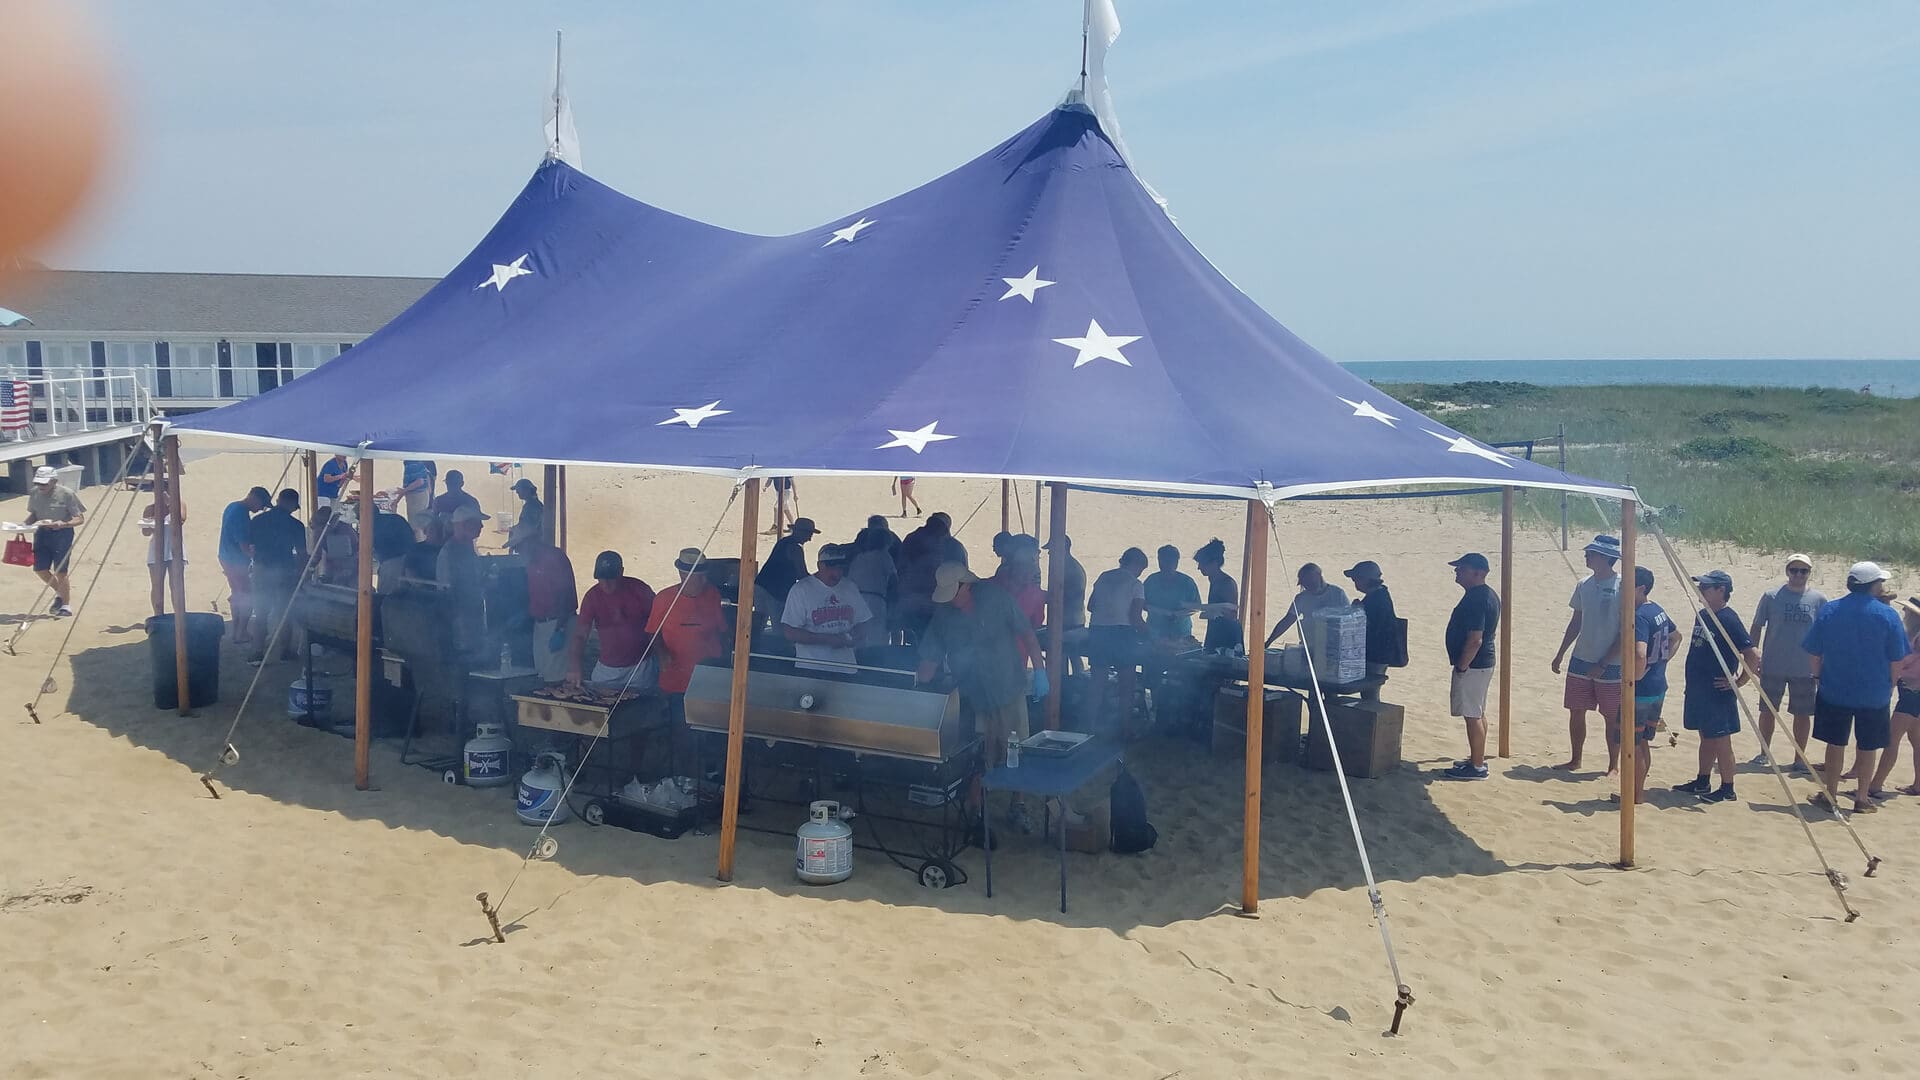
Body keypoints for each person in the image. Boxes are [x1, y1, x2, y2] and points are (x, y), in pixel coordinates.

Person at [916, 561, 1043, 833]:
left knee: (1016, 749)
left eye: (954, 592)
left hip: (1009, 686)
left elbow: (1028, 634)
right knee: (978, 754)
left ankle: (1017, 806)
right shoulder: (944, 615)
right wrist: (918, 690)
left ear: (966, 585)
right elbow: (929, 658)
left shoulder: (997, 598)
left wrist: (1041, 672)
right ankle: (976, 811)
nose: (950, 600)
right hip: (974, 694)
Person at [1802, 562, 1910, 815]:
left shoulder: (1831, 610)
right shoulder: (1887, 615)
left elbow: (1814, 652)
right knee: (1868, 745)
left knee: (1835, 744)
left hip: (1835, 688)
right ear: (1872, 584)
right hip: (1874, 693)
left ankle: (1830, 794)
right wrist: (1891, 684)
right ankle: (1862, 797)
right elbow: (1897, 658)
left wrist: (1817, 677)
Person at [1674, 570, 1761, 805]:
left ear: (1721, 590)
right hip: (1698, 688)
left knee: (1722, 739)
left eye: (1706, 588)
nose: (1701, 591)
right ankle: (1702, 780)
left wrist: (1739, 681)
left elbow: (1752, 654)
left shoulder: (1728, 618)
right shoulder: (1703, 614)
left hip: (1717, 691)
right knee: (1706, 736)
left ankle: (1727, 787)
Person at [1549, 534, 1624, 775]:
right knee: (1576, 710)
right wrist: (1561, 652)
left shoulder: (1623, 586)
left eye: (1591, 553)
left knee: (1612, 716)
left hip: (1611, 662)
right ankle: (1575, 759)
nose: (1586, 556)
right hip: (1581, 657)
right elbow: (1576, 621)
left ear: (1605, 557)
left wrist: (1604, 662)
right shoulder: (1584, 584)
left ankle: (1613, 765)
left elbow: (1626, 631)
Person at [1749, 554, 1826, 771]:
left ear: (1809, 573)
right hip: (1773, 664)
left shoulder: (1819, 600)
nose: (1799, 575)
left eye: (1804, 571)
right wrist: (1753, 655)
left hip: (1805, 668)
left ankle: (1799, 758)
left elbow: (1825, 634)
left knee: (1802, 714)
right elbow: (1757, 627)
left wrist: (1822, 664)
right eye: (1794, 570)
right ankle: (1764, 752)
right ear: (1787, 572)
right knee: (1768, 710)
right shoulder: (1771, 596)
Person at [646, 547, 728, 726]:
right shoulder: (663, 599)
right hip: (676, 680)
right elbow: (653, 633)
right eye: (699, 576)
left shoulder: (713, 594)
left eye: (705, 575)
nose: (704, 580)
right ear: (683, 576)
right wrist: (662, 652)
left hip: (706, 678)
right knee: (679, 728)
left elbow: (722, 630)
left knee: (707, 730)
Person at [1442, 553, 1501, 780]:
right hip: (1480, 663)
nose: (1457, 572)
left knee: (1472, 714)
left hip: (1474, 664)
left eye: (1462, 569)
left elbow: (1475, 638)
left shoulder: (1479, 598)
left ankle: (1476, 767)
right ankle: (1477, 759)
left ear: (1478, 573)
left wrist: (1462, 666)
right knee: (1477, 711)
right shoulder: (1483, 595)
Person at [1619, 567, 1675, 805]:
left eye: (1627, 585)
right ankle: (1637, 793)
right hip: (1658, 685)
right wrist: (1662, 661)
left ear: (1640, 588)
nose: (1622, 589)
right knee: (1643, 742)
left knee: (1632, 743)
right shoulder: (1657, 610)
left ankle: (1634, 795)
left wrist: (1634, 678)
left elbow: (1640, 653)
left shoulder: (1639, 615)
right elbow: (1676, 636)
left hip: (1642, 690)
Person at [567, 551, 657, 689]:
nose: (606, 584)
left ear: (621, 572)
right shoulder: (592, 597)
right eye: (601, 578)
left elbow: (657, 623)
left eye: (610, 578)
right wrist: (574, 666)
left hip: (641, 667)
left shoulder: (640, 589)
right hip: (608, 670)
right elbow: (580, 635)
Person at [781, 543, 875, 673]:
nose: (837, 573)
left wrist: (854, 637)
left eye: (841, 568)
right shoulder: (801, 590)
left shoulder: (850, 587)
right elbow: (790, 632)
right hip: (811, 668)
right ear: (820, 566)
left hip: (846, 668)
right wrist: (828, 639)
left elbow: (864, 621)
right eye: (833, 568)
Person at [1088, 547, 1150, 734]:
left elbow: (1091, 606)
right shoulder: (1136, 584)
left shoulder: (1103, 576)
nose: (1140, 573)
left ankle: (1088, 726)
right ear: (1137, 564)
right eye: (1141, 569)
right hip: (1122, 634)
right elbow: (1136, 618)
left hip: (1098, 631)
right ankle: (1125, 728)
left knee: (1097, 681)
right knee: (1127, 683)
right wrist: (1151, 634)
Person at [1866, 597, 1920, 798]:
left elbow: (1905, 661)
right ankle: (1918, 784)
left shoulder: (1917, 636)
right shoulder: (1913, 634)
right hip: (1912, 692)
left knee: (1891, 740)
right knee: (1916, 740)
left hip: (1912, 692)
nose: (1905, 613)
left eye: (1908, 611)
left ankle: (1875, 784)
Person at [246, 488, 308, 662]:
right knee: (285, 612)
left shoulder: (257, 520)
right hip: (284, 570)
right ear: (290, 503)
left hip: (260, 569)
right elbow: (302, 554)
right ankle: (285, 651)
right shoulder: (296, 525)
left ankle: (257, 652)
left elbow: (250, 547)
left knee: (260, 612)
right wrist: (303, 574)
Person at [23, 465, 85, 617]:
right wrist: (23, 526)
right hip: (41, 532)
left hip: (62, 534)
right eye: (38, 483)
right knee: (39, 568)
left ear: (54, 481)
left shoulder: (67, 494)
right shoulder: (34, 493)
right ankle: (59, 593)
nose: (41, 486)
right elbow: (34, 514)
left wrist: (63, 524)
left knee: (61, 570)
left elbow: (79, 518)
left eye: (44, 483)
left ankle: (66, 605)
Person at [435, 503, 490, 661]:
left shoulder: (468, 548)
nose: (481, 526)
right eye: (477, 522)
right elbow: (447, 589)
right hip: (460, 621)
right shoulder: (450, 551)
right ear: (465, 524)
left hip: (473, 615)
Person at [218, 485, 271, 643]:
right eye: (262, 505)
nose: (261, 509)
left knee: (237, 594)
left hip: (226, 556)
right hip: (236, 560)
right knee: (248, 596)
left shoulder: (232, 506)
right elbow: (244, 546)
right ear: (255, 498)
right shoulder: (240, 514)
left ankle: (237, 631)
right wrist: (258, 556)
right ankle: (241, 632)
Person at [524, 538, 577, 683]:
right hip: (541, 624)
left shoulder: (554, 558)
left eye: (519, 546)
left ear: (530, 542)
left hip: (558, 622)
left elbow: (565, 595)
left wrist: (560, 629)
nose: (517, 551)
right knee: (542, 673)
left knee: (557, 675)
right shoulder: (531, 562)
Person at [1264, 562, 1349, 647]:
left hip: (1335, 645)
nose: (1307, 585)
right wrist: (1268, 642)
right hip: (1310, 646)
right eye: (1304, 583)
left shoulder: (1338, 593)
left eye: (1310, 582)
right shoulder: (1301, 598)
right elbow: (1287, 621)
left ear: (1319, 576)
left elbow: (1348, 619)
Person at [1344, 560, 1400, 676]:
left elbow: (1371, 626)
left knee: (1370, 690)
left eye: (1356, 579)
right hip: (1380, 653)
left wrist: (1358, 611)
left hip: (1376, 654)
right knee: (1370, 691)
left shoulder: (1377, 599)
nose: (1355, 583)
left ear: (1366, 579)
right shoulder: (1380, 594)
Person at [847, 523, 899, 645]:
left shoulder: (859, 557)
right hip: (875, 600)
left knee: (859, 636)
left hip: (856, 599)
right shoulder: (884, 556)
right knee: (876, 637)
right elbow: (893, 581)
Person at [1144, 544, 1202, 647]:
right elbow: (1142, 604)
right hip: (1154, 633)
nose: (1165, 564)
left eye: (1169, 561)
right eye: (1162, 561)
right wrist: (1158, 611)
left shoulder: (1187, 582)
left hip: (1181, 634)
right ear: (1158, 561)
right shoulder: (1150, 581)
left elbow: (1197, 607)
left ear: (1176, 562)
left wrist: (1177, 614)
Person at [756, 516, 818, 606]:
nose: (809, 539)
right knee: (779, 619)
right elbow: (802, 574)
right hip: (775, 591)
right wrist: (818, 582)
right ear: (799, 532)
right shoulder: (795, 548)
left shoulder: (783, 542)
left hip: (761, 585)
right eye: (808, 534)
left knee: (760, 619)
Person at [1192, 538, 1241, 653]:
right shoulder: (1212, 579)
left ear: (1214, 563)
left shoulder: (1227, 583)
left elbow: (1232, 614)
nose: (1199, 567)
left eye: (1202, 564)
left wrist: (1213, 612)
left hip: (1227, 634)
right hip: (1214, 630)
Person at [139, 488, 181, 619]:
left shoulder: (179, 505)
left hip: (174, 550)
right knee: (157, 585)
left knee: (176, 585)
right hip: (156, 550)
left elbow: (181, 519)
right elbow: (145, 532)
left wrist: (169, 503)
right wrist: (152, 522)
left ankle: (178, 614)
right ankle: (158, 615)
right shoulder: (150, 508)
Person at [505, 477, 545, 553]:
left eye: (519, 490)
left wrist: (513, 539)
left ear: (527, 490)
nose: (517, 492)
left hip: (531, 545)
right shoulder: (533, 504)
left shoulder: (532, 505)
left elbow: (528, 527)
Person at [400, 459, 436, 539]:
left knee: (416, 527)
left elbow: (420, 481)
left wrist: (403, 491)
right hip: (418, 496)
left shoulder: (413, 463)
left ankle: (419, 546)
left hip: (416, 497)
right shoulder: (412, 463)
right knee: (419, 525)